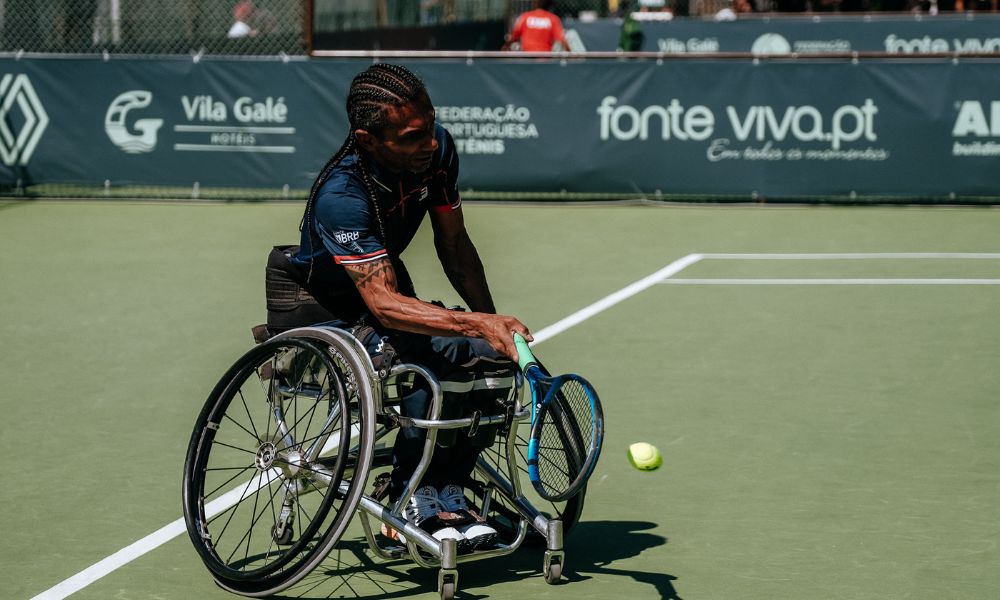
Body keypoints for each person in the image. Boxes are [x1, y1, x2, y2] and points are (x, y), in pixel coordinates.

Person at [265, 63, 532, 551]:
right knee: (442, 356)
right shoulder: (340, 196)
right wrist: (474, 325)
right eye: (412, 136)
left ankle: (446, 490)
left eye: (429, 126)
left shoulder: (437, 151)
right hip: (322, 309)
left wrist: (493, 330)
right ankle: (406, 495)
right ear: (368, 140)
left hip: (384, 295)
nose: (429, 142)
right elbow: (384, 306)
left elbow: (454, 245)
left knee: (486, 357)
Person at [502, 0, 569, 52]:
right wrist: (570, 54)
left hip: (528, 59)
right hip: (544, 60)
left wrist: (504, 48)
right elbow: (562, 41)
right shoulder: (553, 19)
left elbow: (513, 37)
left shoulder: (525, 17)